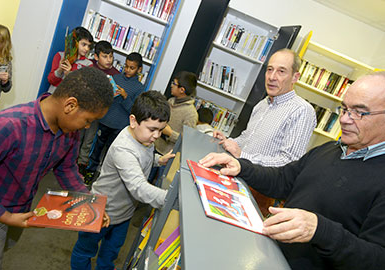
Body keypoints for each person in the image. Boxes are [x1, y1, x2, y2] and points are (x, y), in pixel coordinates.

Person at [199, 72, 385, 269]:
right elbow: (283, 180)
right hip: (270, 254)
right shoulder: (329, 149)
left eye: (359, 112)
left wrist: (320, 230)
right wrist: (241, 166)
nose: (345, 119)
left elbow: (378, 259)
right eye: (345, 108)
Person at [0, 67, 113, 270]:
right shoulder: (8, 125)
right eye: (88, 120)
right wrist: (6, 216)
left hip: (21, 210)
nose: (87, 127)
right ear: (70, 105)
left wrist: (91, 205)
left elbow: (67, 168)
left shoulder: (69, 131)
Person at [71, 90, 175, 270]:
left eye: (160, 130)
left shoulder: (145, 139)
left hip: (123, 214)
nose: (157, 135)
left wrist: (158, 160)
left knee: (110, 254)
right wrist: (172, 198)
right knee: (85, 250)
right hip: (100, 211)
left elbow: (141, 159)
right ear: (133, 121)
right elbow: (139, 188)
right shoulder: (124, 148)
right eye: (152, 129)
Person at [214, 48, 316, 166]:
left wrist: (242, 156)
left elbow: (289, 162)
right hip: (239, 170)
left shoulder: (301, 110)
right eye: (269, 69)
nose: (272, 77)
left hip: (258, 182)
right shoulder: (262, 104)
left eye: (281, 71)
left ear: (295, 77)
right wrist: (228, 141)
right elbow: (247, 138)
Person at [84, 52, 144, 185]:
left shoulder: (140, 88)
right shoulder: (115, 78)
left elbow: (133, 111)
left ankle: (103, 179)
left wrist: (125, 96)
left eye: (131, 68)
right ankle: (90, 171)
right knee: (97, 149)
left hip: (120, 126)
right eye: (126, 66)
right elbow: (105, 98)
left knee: (110, 154)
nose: (127, 70)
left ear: (139, 69)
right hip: (105, 120)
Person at [77, 40, 120, 175]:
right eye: (105, 56)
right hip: (82, 110)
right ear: (96, 57)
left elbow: (112, 97)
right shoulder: (89, 66)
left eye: (111, 56)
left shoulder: (116, 74)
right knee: (76, 136)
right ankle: (68, 162)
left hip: (96, 115)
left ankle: (81, 165)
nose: (109, 60)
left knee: (89, 141)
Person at [154, 71, 199, 155]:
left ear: (182, 90)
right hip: (155, 145)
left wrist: (170, 133)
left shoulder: (191, 114)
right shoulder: (170, 101)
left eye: (174, 84)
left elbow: (187, 140)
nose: (171, 85)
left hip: (167, 154)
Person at [47, 26, 93, 93]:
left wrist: (69, 74)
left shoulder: (88, 64)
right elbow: (51, 80)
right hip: (52, 96)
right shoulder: (60, 56)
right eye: (84, 44)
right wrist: (60, 70)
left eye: (89, 46)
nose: (87, 49)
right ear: (74, 42)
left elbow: (82, 88)